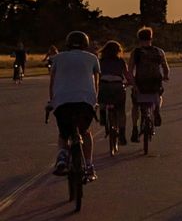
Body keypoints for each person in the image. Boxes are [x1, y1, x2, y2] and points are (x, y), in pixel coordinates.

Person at [49, 31, 101, 181]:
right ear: (85, 44)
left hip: (62, 102)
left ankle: (62, 156)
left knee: (63, 133)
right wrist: (94, 100)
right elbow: (96, 82)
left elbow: (52, 82)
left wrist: (51, 101)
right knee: (85, 132)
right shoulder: (92, 58)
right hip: (85, 102)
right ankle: (89, 165)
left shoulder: (58, 58)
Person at [128, 27, 169, 141]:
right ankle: (157, 109)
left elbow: (130, 70)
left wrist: (133, 83)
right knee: (159, 95)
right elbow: (165, 68)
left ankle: (135, 128)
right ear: (151, 38)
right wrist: (165, 76)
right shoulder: (159, 51)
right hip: (155, 81)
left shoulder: (136, 52)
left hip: (141, 82)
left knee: (135, 105)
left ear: (139, 39)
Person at [97, 40, 133, 146]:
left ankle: (103, 116)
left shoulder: (101, 61)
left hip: (104, 85)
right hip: (117, 86)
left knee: (102, 99)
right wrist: (129, 83)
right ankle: (122, 134)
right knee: (121, 110)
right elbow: (127, 75)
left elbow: (96, 76)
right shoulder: (120, 61)